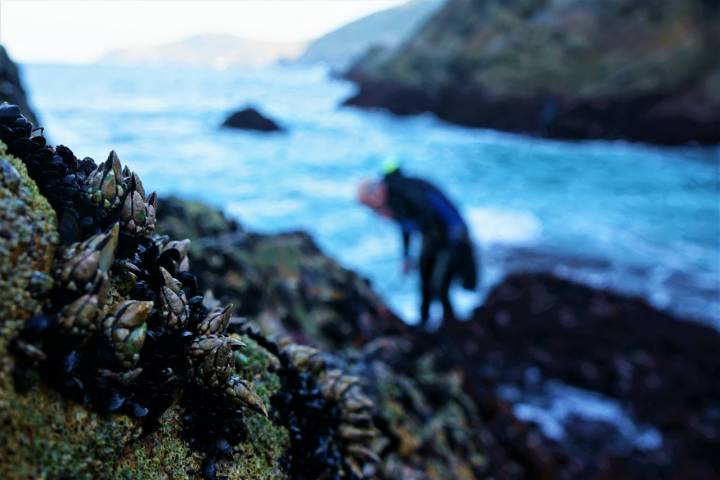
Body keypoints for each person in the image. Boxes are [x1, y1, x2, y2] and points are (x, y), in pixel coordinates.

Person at [357, 161, 478, 326]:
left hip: (451, 236)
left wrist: (456, 246)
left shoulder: (405, 193)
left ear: (377, 194)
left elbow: (431, 220)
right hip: (431, 236)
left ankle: (451, 324)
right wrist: (406, 258)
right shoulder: (393, 200)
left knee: (439, 285)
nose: (372, 211)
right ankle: (424, 322)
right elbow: (405, 228)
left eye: (370, 205)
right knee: (424, 283)